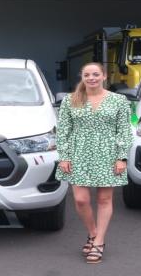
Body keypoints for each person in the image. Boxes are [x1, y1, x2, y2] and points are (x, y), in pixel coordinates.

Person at [56, 62, 133, 264]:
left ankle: (99, 242)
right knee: (80, 199)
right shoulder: (70, 100)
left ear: (104, 76)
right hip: (78, 153)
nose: (91, 78)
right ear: (82, 77)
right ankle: (92, 233)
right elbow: (63, 130)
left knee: (104, 200)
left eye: (96, 74)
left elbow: (124, 130)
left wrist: (121, 157)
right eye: (87, 74)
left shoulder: (119, 100)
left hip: (108, 153)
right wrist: (63, 156)